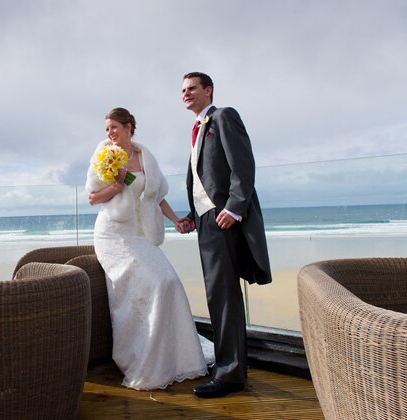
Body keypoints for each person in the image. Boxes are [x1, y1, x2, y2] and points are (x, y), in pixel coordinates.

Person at [85, 107, 208, 390]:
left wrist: (176, 220)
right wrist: (116, 185)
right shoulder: (103, 153)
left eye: (114, 127)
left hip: (139, 234)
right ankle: (142, 360)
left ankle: (176, 359)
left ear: (129, 127)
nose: (109, 134)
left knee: (169, 282)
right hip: (112, 234)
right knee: (153, 285)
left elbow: (156, 197)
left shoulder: (145, 157)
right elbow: (92, 197)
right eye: (107, 129)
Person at [177, 72, 272, 398]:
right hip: (207, 222)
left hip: (225, 220)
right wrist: (194, 215)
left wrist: (234, 207)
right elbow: (206, 181)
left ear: (208, 90)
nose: (186, 94)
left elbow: (242, 165)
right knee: (218, 296)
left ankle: (229, 375)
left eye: (192, 88)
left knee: (225, 298)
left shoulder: (223, 117)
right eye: (183, 90)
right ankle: (228, 367)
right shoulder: (196, 130)